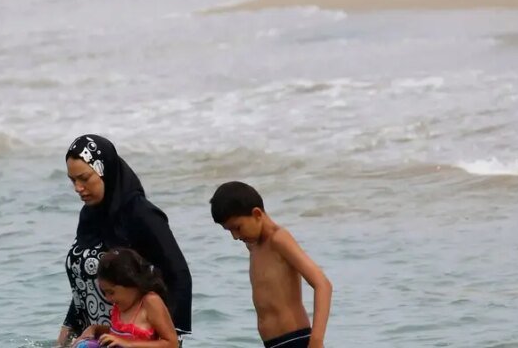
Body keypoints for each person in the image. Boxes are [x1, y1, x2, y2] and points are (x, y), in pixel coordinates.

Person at [60, 135, 192, 347]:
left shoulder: (141, 215)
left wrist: (170, 337)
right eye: (73, 180)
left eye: (84, 178)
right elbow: (83, 284)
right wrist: (66, 335)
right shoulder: (88, 217)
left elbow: (178, 275)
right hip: (93, 337)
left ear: (105, 171)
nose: (78, 187)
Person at [210, 181, 332, 348]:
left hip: (295, 340)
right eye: (230, 231)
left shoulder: (279, 239)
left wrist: (316, 341)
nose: (235, 236)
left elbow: (323, 285)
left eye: (237, 227)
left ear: (257, 214)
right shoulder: (253, 245)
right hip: (272, 343)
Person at [74, 249, 180, 348]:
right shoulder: (120, 306)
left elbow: (172, 343)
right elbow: (119, 334)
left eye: (111, 292)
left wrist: (128, 344)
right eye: (104, 293)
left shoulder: (150, 301)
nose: (107, 298)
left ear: (131, 283)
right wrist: (94, 329)